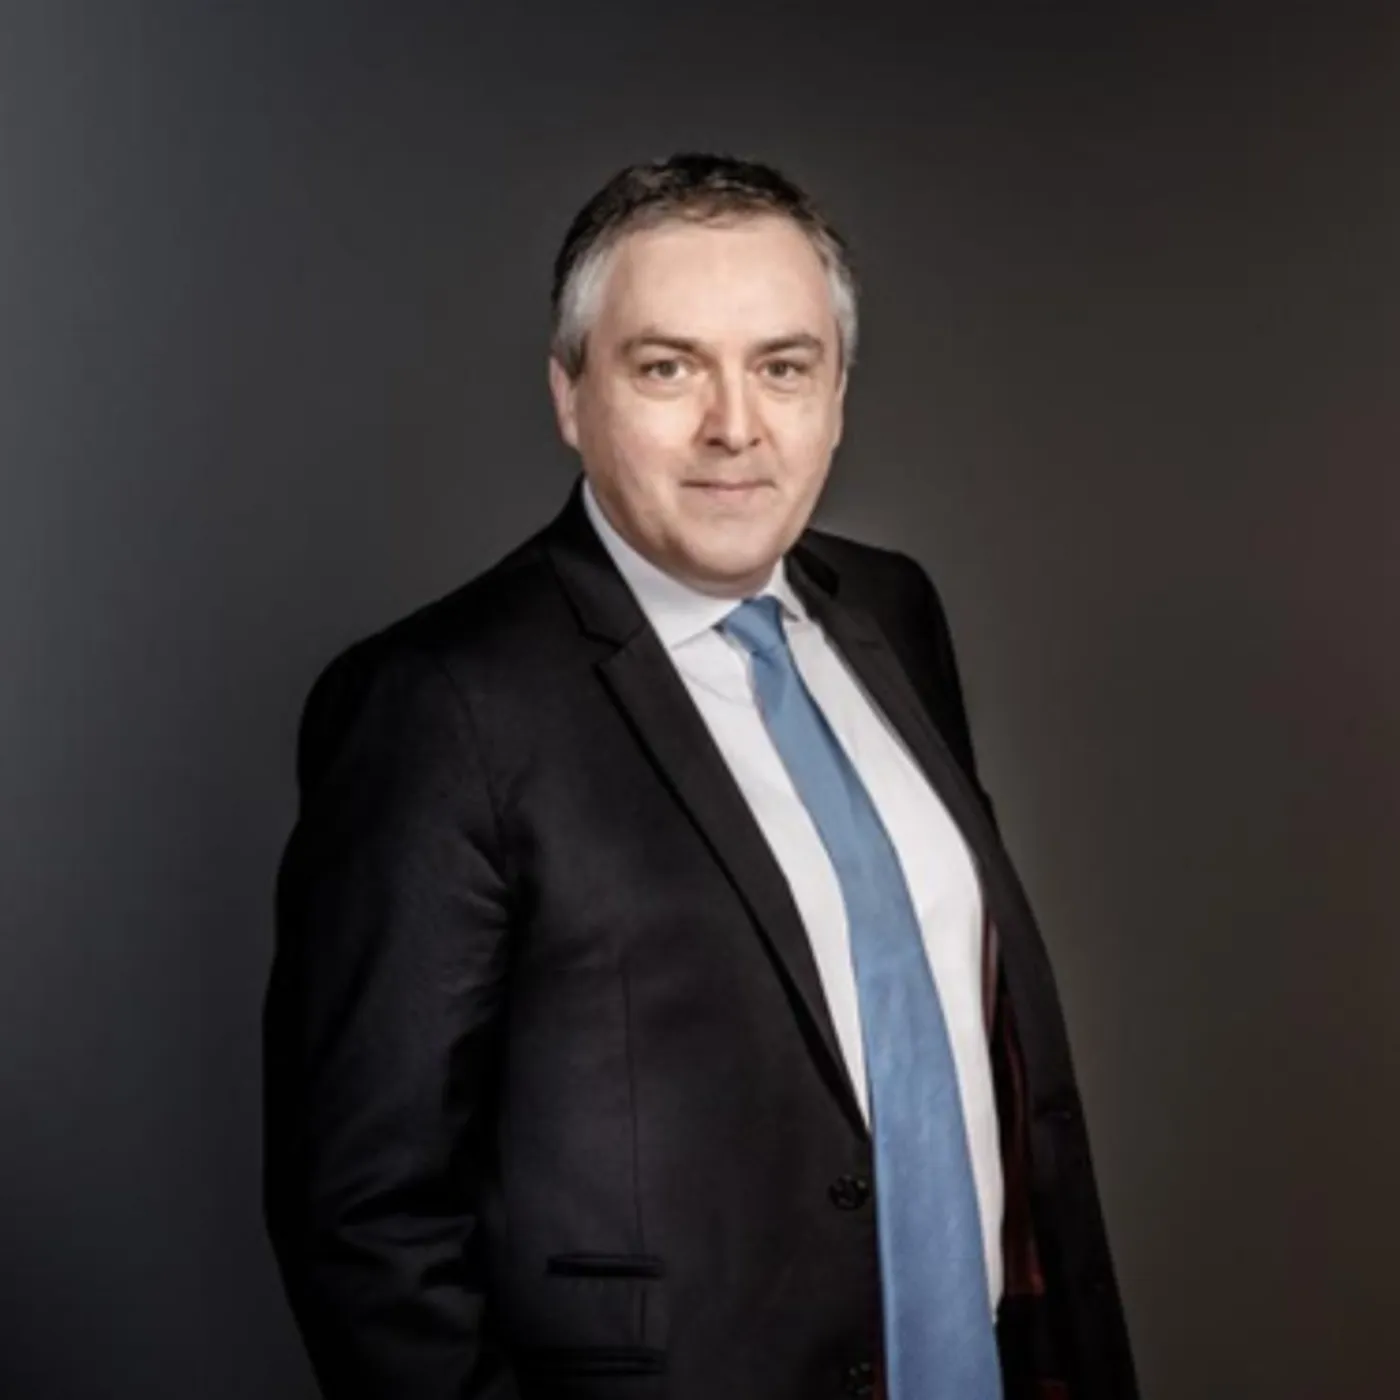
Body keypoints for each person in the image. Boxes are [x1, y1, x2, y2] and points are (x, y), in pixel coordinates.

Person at [263, 152, 1138, 1400]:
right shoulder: (436, 705)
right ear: (569, 395)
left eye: (782, 366)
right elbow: (364, 1213)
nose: (735, 425)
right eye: (667, 367)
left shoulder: (893, 611)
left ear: (835, 394)